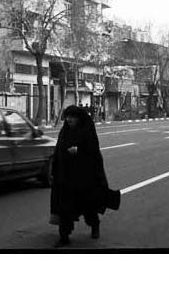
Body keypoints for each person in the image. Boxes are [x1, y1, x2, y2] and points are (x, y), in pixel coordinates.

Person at [50, 105, 112, 246]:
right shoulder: (64, 131)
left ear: (79, 118)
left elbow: (93, 151)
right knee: (64, 207)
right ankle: (64, 236)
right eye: (67, 117)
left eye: (72, 117)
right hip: (66, 176)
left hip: (85, 176)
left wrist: (79, 150)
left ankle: (94, 225)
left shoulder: (87, 130)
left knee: (88, 205)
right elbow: (58, 151)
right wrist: (55, 171)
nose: (69, 119)